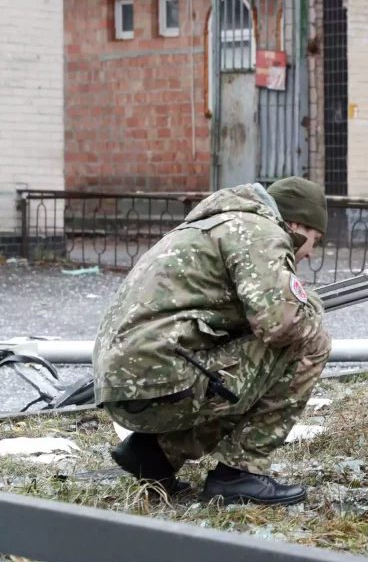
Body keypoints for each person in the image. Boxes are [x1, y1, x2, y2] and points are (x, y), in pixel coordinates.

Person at [93, 177, 333, 506]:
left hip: (124, 385)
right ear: (296, 224)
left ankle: (155, 454)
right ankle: (239, 473)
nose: (308, 253)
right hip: (160, 380)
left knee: (250, 362)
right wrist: (310, 305)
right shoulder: (261, 231)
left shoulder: (215, 225)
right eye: (314, 240)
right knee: (310, 342)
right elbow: (280, 326)